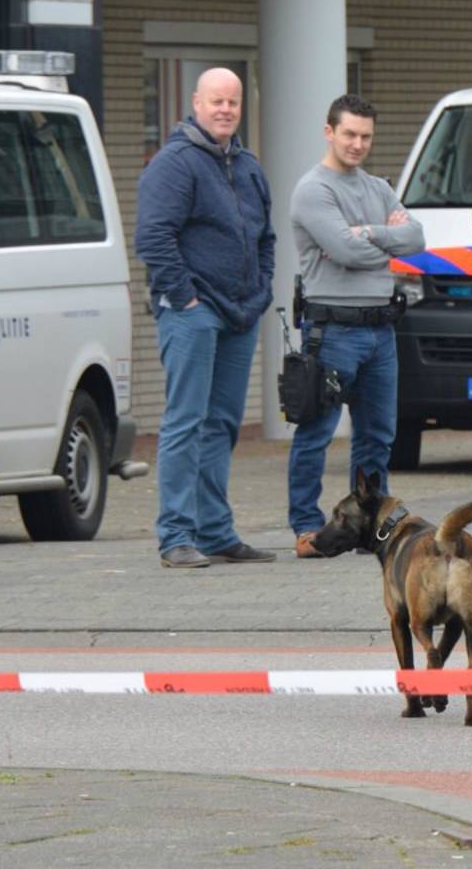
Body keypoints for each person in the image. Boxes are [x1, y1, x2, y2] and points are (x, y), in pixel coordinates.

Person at [136, 67, 277, 569]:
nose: (225, 110)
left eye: (233, 103)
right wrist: (186, 298)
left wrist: (261, 292)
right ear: (196, 102)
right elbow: (153, 238)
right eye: (216, 101)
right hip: (193, 313)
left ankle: (215, 531)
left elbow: (265, 237)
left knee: (221, 424)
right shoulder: (174, 164)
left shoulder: (248, 165)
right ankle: (176, 534)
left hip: (241, 314)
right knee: (185, 423)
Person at [289, 95, 425, 558]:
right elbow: (345, 253)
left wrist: (364, 234)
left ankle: (372, 527)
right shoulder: (313, 190)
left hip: (380, 330)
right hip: (333, 331)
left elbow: (417, 238)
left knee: (377, 435)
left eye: (366, 136)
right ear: (329, 132)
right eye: (349, 134)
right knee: (317, 432)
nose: (358, 143)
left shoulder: (377, 187)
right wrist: (384, 241)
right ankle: (307, 527)